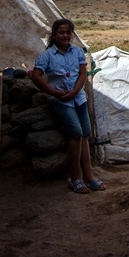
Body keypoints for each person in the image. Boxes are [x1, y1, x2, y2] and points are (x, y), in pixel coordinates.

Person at [30, 18, 105, 194]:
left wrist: (75, 91)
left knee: (85, 135)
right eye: (61, 32)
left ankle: (89, 177)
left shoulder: (78, 52)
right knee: (75, 134)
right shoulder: (46, 56)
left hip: (78, 98)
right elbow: (36, 75)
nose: (65, 35)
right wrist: (53, 92)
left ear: (72, 34)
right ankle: (76, 178)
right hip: (60, 100)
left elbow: (82, 74)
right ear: (54, 35)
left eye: (68, 32)